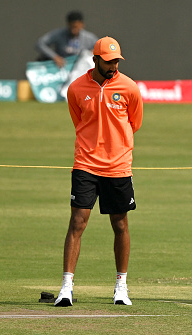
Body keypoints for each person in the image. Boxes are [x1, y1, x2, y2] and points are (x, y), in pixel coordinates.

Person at [55, 36, 143, 307]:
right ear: (95, 60)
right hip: (86, 164)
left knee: (120, 225)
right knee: (77, 223)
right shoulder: (76, 88)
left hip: (118, 167)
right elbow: (78, 121)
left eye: (117, 60)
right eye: (108, 61)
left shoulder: (129, 88)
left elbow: (135, 122)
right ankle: (66, 288)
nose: (113, 65)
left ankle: (121, 287)